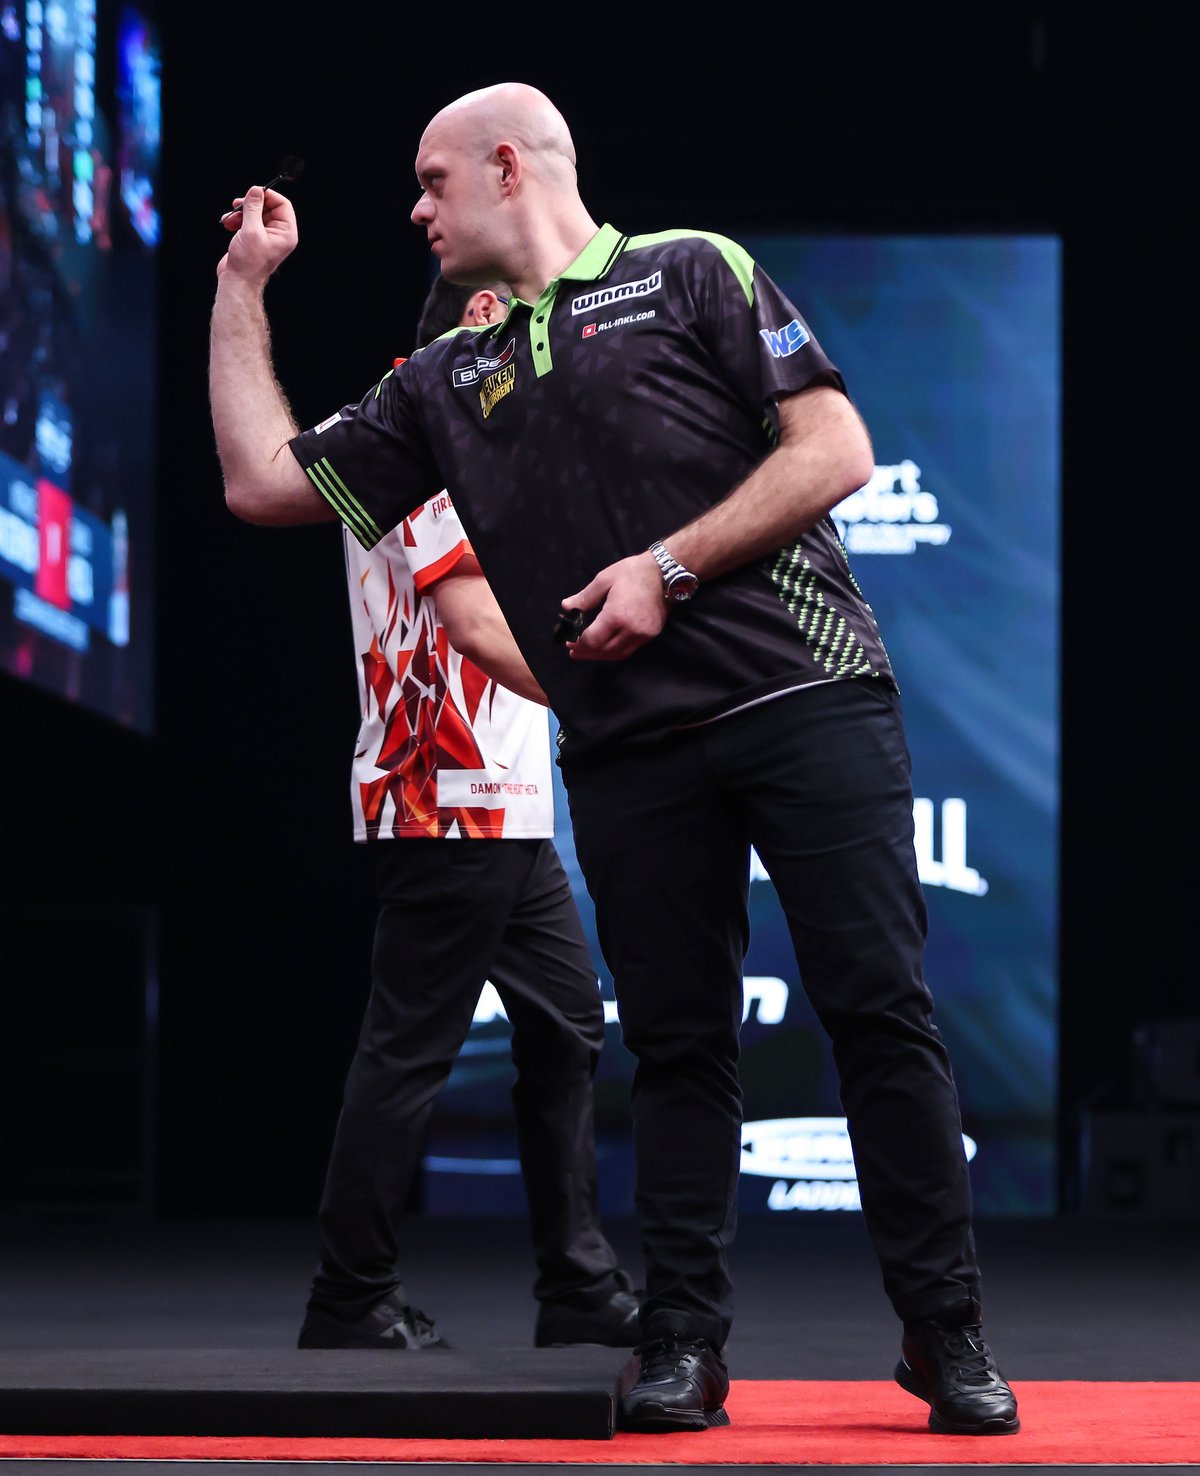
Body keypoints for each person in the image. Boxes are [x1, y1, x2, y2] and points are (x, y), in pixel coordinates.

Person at [208, 82, 1020, 1437]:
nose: (414, 210)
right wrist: (242, 286)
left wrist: (667, 568)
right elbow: (260, 484)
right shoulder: (443, 379)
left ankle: (946, 1332)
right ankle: (683, 1343)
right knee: (679, 1047)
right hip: (632, 748)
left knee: (879, 1012)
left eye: (430, 182)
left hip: (804, 695)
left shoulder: (690, 271)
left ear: (507, 168)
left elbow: (836, 447)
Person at [292, 272, 640, 1354]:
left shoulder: (455, 431)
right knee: (409, 1049)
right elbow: (472, 618)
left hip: (503, 797)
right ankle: (350, 1296)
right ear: (485, 317)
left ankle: (576, 1285)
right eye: (531, 318)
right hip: (444, 789)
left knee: (566, 1026)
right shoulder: (421, 428)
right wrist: (609, 699)